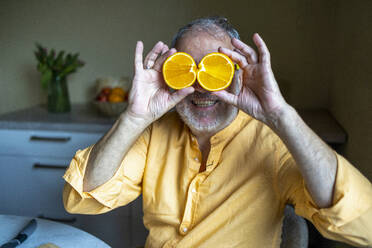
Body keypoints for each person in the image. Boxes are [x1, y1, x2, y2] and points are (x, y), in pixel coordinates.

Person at [62, 17, 372, 247]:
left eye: (216, 69)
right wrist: (132, 118)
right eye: (186, 69)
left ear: (239, 74)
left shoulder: (273, 143)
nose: (199, 85)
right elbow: (83, 197)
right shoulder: (154, 133)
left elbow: (364, 225)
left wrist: (281, 115)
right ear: (169, 74)